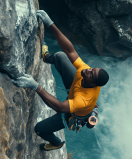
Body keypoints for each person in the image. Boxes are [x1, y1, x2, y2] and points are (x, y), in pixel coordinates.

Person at [12, 10, 109, 151]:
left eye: (91, 74)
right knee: (60, 56)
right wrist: (51, 24)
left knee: (40, 129)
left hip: (74, 110)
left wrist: (36, 87)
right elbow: (70, 50)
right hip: (75, 90)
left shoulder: (83, 100)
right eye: (91, 69)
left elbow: (59, 107)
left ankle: (56, 143)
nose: (88, 70)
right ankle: (47, 57)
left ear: (93, 83)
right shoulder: (86, 72)